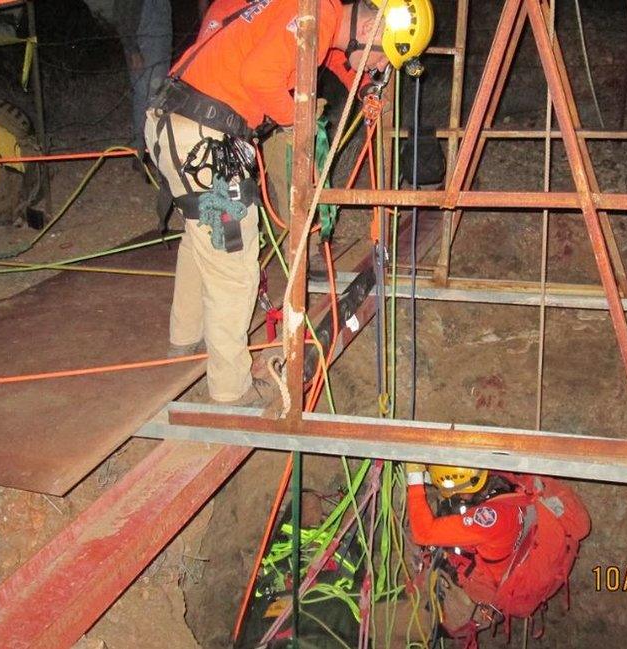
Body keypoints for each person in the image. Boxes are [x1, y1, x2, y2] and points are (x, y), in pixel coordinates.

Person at [143, 0, 434, 405]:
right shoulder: (318, 18)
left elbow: (325, 51)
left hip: (173, 119)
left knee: (203, 238)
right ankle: (230, 390)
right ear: (369, 33)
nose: (375, 71)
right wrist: (298, 122)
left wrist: (361, 86)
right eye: (379, 64)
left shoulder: (317, 10)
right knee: (233, 266)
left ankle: (184, 339)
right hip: (204, 139)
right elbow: (260, 76)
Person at [404, 463, 591, 643]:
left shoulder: (490, 520)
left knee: (386, 624)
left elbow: (424, 533)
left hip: (459, 607)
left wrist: (414, 478)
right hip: (465, 585)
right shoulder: (506, 489)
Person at [116, 0, 173, 157]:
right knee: (145, 97)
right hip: (145, 44)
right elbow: (123, 14)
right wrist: (132, 49)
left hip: (159, 45)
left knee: (157, 97)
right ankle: (140, 151)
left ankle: (151, 150)